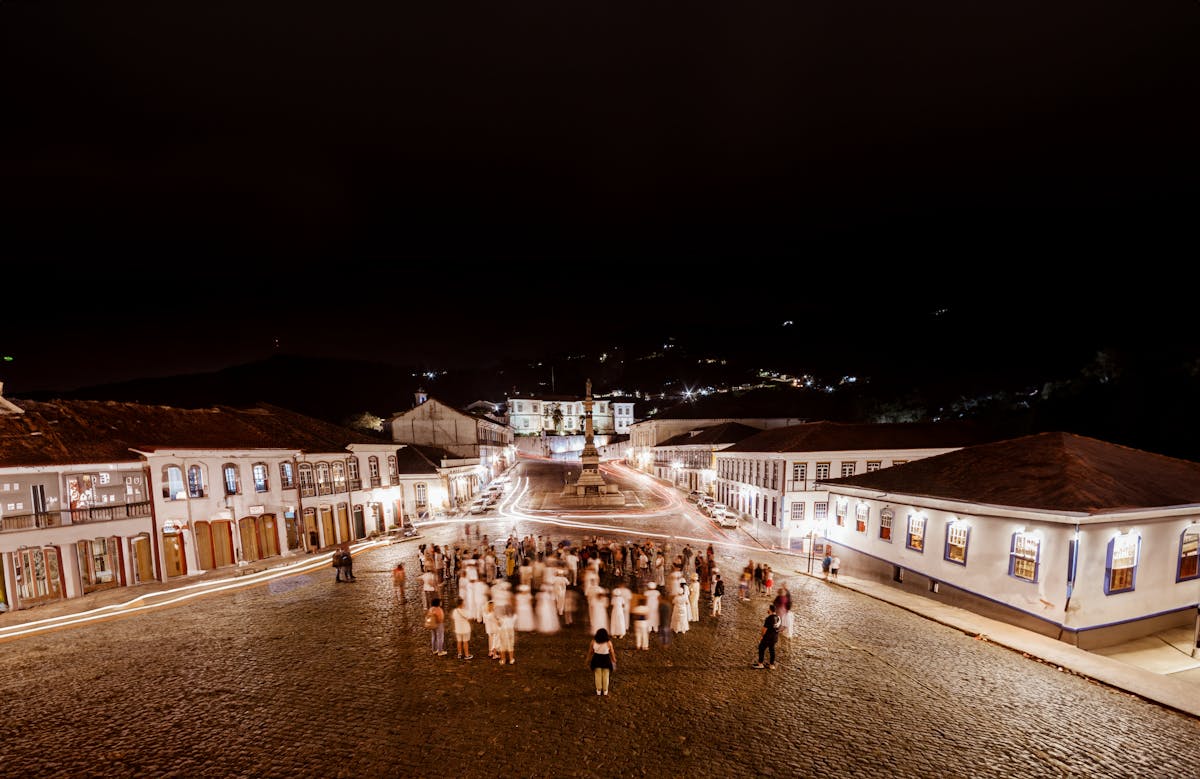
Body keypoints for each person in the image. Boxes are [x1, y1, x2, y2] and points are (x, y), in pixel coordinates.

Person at [587, 628, 616, 696]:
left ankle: (598, 690)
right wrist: (614, 659)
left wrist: (588, 659)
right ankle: (605, 690)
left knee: (598, 675)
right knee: (606, 675)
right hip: (606, 659)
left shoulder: (593, 641)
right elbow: (612, 652)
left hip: (596, 659)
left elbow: (590, 651)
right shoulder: (608, 643)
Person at [752, 603, 782, 669]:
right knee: (772, 649)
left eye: (768, 609)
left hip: (768, 637)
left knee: (761, 648)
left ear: (770, 610)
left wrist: (762, 636)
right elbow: (779, 628)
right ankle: (771, 665)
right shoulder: (778, 618)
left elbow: (764, 629)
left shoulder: (768, 618)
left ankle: (760, 664)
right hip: (775, 637)